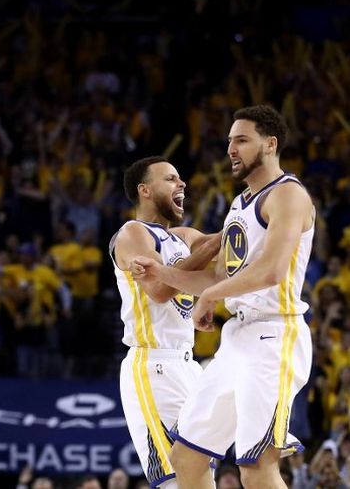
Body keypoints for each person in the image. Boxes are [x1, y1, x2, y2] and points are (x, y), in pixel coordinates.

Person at [131, 105, 314, 489]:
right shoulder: (240, 204)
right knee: (186, 456)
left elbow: (272, 271)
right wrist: (163, 273)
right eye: (229, 141)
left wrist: (212, 295)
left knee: (256, 467)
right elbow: (218, 275)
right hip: (237, 339)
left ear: (270, 144)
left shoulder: (288, 195)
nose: (231, 148)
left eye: (242, 140)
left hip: (274, 336)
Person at [110, 156, 221, 488]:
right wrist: (212, 248)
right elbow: (159, 290)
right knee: (175, 480)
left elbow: (228, 249)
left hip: (190, 367)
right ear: (145, 190)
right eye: (171, 179)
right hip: (152, 366)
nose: (181, 184)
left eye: (180, 178)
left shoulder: (183, 237)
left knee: (202, 479)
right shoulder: (133, 233)